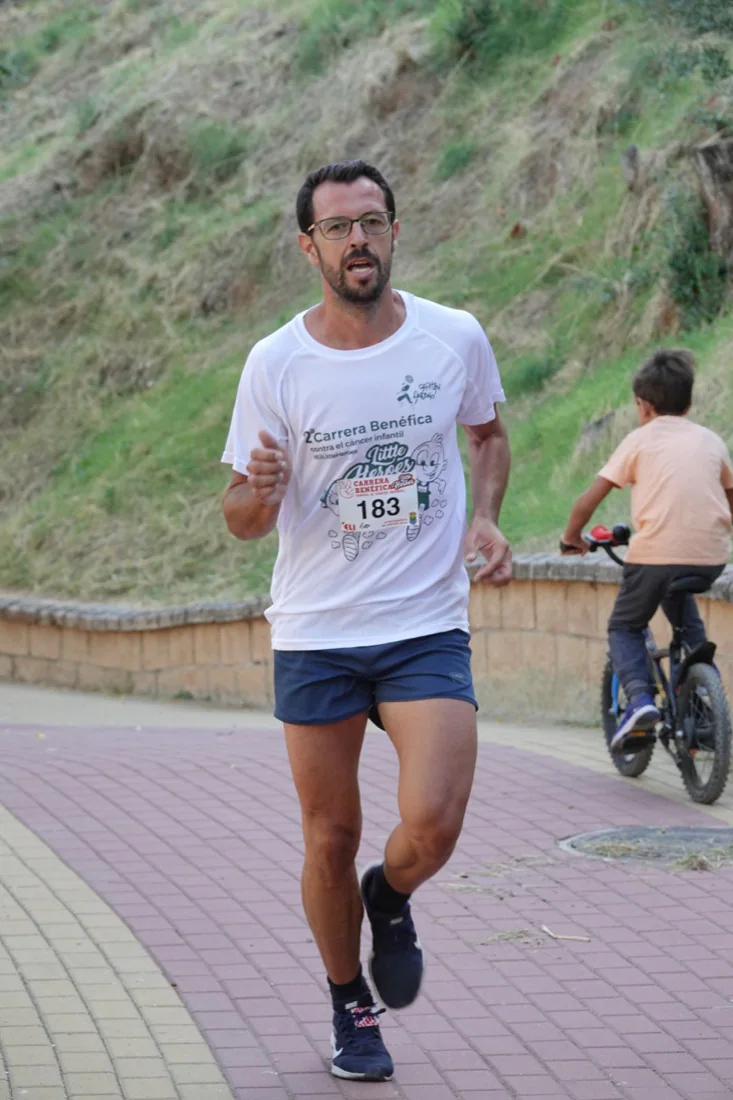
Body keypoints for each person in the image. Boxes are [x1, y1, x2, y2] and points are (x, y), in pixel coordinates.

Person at [221, 159, 511, 1082]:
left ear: (394, 231)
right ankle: (350, 1003)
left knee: (432, 822)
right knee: (328, 835)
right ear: (308, 245)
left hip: (425, 620)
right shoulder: (277, 362)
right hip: (316, 630)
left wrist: (488, 514)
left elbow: (487, 434)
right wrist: (257, 497)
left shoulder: (450, 337)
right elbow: (239, 510)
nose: (358, 240)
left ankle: (391, 896)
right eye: (338, 227)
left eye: (372, 222)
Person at [561, 348, 733, 750]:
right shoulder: (711, 441)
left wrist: (572, 537)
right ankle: (703, 708)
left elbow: (589, 498)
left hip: (654, 556)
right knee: (687, 624)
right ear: (688, 402)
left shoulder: (639, 440)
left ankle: (639, 700)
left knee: (624, 625)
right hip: (709, 558)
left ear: (644, 405)